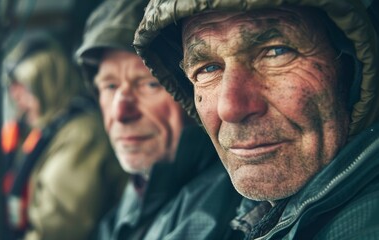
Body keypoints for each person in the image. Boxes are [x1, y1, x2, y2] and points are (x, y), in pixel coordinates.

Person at [133, 0, 379, 239]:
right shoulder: (239, 210)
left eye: (276, 52)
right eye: (208, 68)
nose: (229, 108)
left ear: (353, 68)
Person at [75, 0, 243, 239]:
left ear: (189, 90)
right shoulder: (142, 186)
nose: (120, 112)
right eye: (110, 86)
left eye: (149, 84)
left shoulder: (225, 209)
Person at [2, 33, 127, 240]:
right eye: (13, 87)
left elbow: (59, 228)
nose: (16, 97)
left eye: (25, 87)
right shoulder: (44, 129)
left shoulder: (82, 134)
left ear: (48, 86)